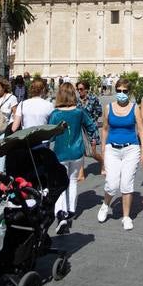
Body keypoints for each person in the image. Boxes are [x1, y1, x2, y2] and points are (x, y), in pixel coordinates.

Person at [49, 82, 99, 233]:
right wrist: (93, 139)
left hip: (60, 153)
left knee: (59, 183)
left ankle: (60, 213)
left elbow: (49, 135)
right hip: (77, 152)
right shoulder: (79, 112)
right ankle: (71, 211)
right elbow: (92, 126)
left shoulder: (55, 114)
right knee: (72, 181)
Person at [98, 78, 143, 230]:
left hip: (131, 149)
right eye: (118, 91)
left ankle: (126, 217)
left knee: (126, 183)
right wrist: (103, 151)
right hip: (112, 149)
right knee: (112, 184)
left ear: (129, 92)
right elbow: (105, 129)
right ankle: (105, 204)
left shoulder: (134, 108)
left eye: (125, 91)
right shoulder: (108, 107)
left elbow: (140, 130)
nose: (121, 94)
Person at [75, 79, 104, 179]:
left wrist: (93, 120)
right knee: (81, 151)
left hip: (91, 128)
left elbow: (99, 111)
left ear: (86, 89)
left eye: (81, 89)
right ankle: (81, 174)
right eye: (78, 89)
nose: (79, 91)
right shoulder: (76, 101)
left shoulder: (93, 99)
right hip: (80, 128)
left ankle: (102, 162)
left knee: (92, 152)